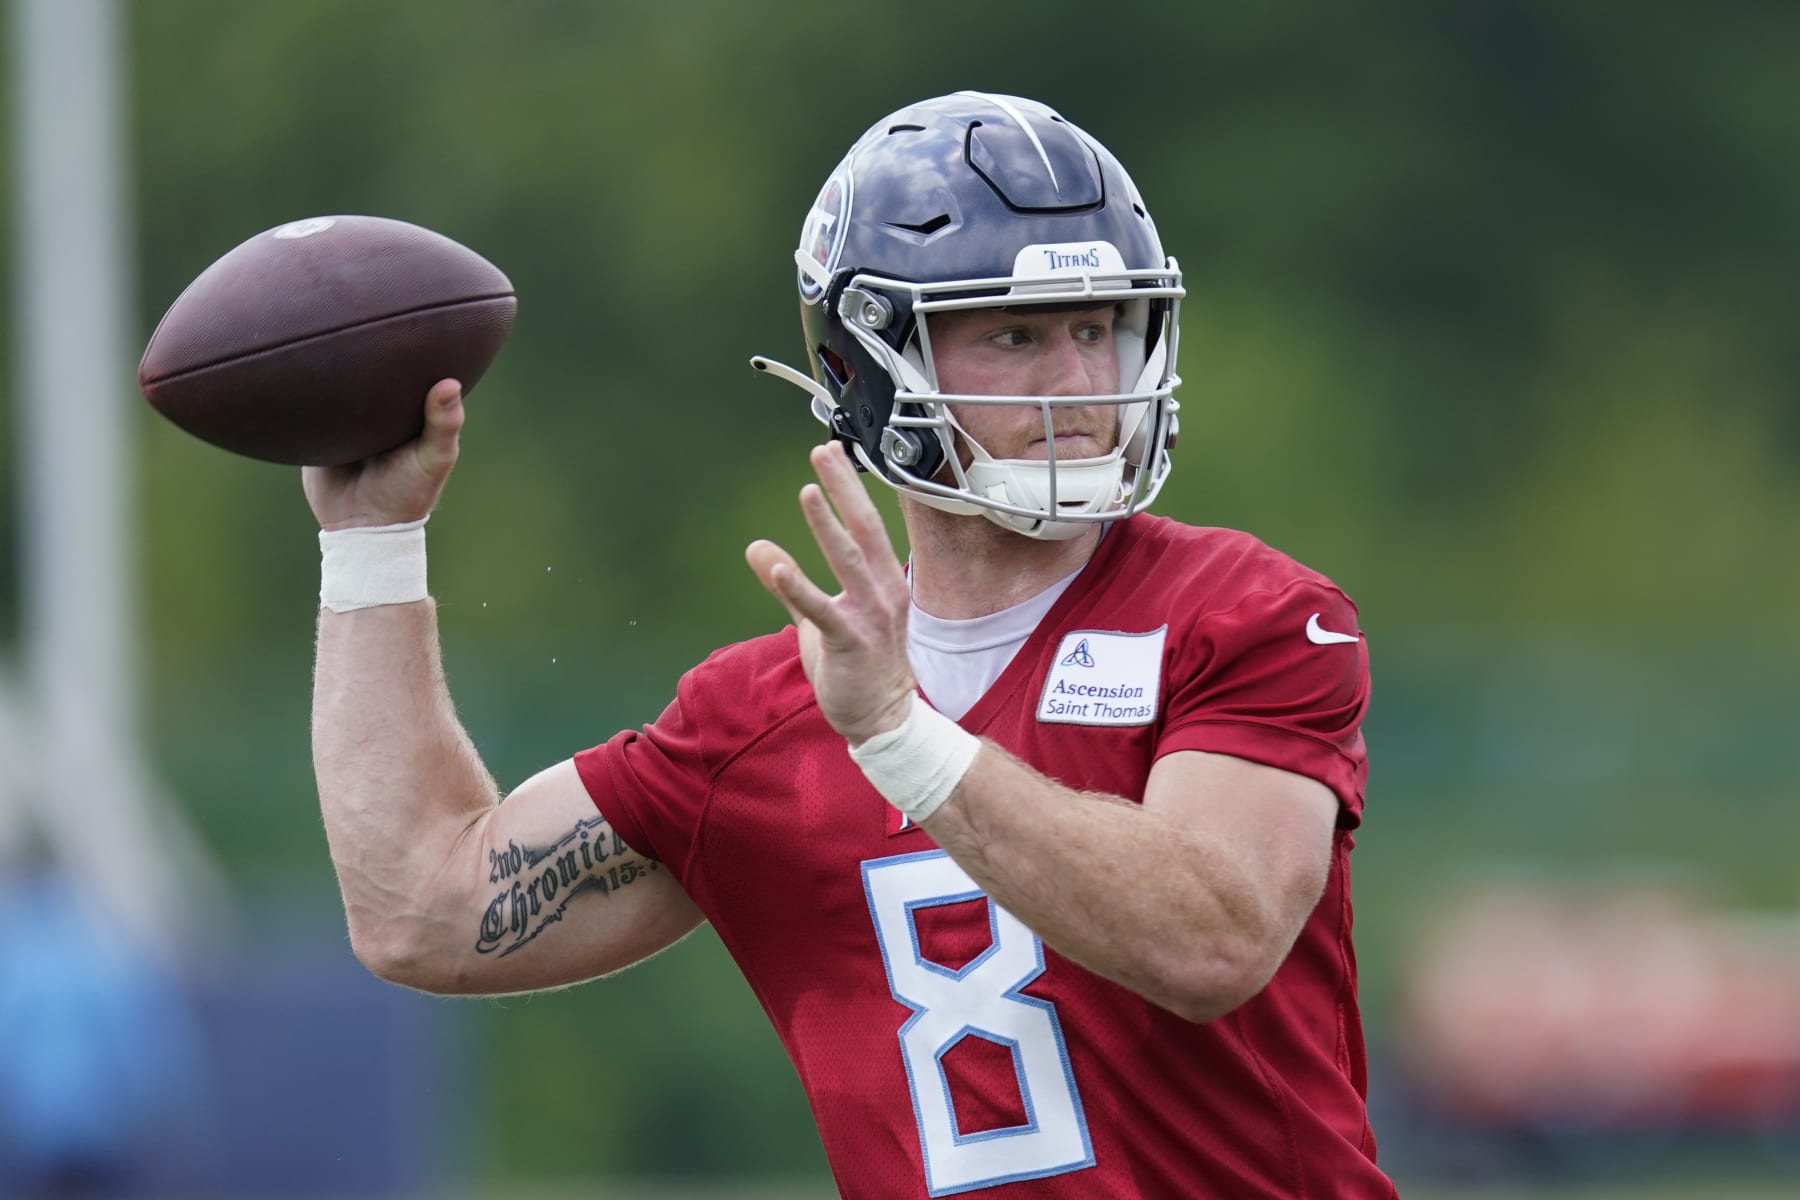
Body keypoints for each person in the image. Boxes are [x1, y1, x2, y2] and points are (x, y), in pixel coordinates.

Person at [307, 92, 1394, 1197]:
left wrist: (900, 738)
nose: (1079, 385)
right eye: (1016, 336)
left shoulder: (1249, 614)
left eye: (1097, 327)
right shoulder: (762, 717)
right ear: (859, 365)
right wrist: (370, 544)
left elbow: (1211, 939)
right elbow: (422, 911)